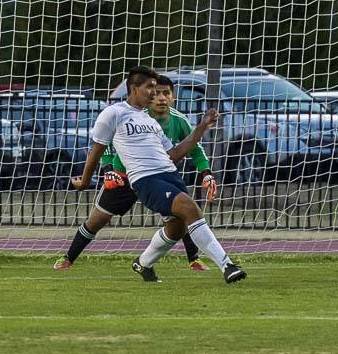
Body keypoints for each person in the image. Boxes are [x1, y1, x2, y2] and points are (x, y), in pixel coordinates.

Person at [71, 66, 246, 284]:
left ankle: (143, 263)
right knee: (190, 208)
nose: (155, 93)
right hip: (145, 179)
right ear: (134, 89)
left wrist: (201, 128)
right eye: (150, 87)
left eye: (158, 89)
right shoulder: (113, 113)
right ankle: (227, 265)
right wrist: (85, 182)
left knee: (176, 228)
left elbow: (174, 154)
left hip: (170, 175)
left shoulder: (150, 121)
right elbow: (96, 151)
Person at [54, 75, 217, 272]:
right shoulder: (133, 114)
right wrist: (108, 170)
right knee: (97, 220)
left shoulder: (179, 120)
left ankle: (193, 259)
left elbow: (195, 149)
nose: (161, 98)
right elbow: (104, 144)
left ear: (173, 96)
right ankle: (68, 258)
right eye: (156, 93)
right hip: (123, 176)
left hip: (157, 178)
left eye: (166, 93)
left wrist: (206, 173)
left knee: (181, 214)